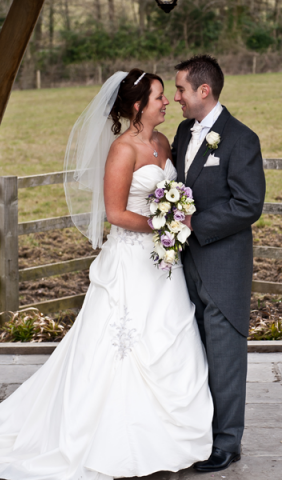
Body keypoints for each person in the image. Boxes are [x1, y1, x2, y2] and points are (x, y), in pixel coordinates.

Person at [0, 69, 213, 479]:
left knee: (170, 336)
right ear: (137, 106)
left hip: (165, 264)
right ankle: (113, 441)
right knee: (122, 347)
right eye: (158, 98)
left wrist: (176, 216)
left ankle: (170, 439)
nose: (166, 103)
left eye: (167, 97)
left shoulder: (164, 142)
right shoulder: (122, 149)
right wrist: (162, 225)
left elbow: (173, 194)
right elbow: (115, 213)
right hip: (132, 261)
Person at [171, 55, 266, 473]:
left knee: (226, 356)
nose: (176, 97)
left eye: (181, 90)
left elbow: (248, 204)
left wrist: (194, 223)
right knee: (192, 352)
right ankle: (197, 432)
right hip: (181, 264)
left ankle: (227, 443)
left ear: (203, 91)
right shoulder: (181, 131)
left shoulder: (241, 138)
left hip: (223, 263)